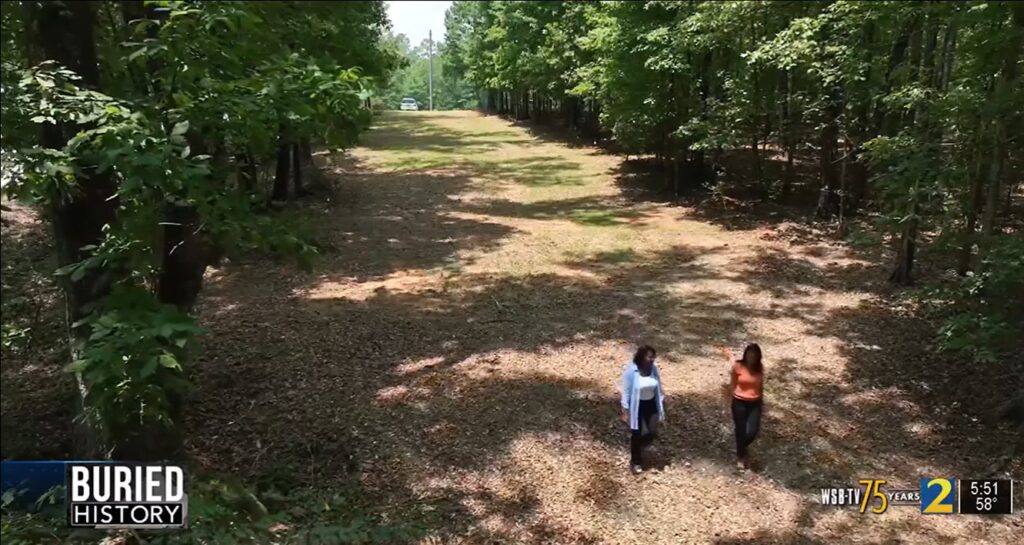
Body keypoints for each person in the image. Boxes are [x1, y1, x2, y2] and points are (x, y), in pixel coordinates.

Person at [619, 345, 665, 474]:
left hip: (651, 404)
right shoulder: (631, 372)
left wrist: (662, 398)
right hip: (637, 406)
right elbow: (626, 392)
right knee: (636, 433)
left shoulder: (654, 369)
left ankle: (641, 445)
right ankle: (636, 461)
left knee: (651, 431)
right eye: (649, 357)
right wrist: (625, 410)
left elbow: (658, 385)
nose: (652, 360)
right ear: (641, 357)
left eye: (653, 357)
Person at [718, 343, 764, 470]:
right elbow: (732, 384)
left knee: (752, 431)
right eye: (749, 354)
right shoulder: (738, 366)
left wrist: (762, 400)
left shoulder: (759, 368)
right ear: (746, 354)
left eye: (754, 355)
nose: (751, 357)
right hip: (739, 402)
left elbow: (761, 385)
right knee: (740, 430)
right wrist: (731, 399)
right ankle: (741, 455)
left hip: (755, 402)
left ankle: (743, 448)